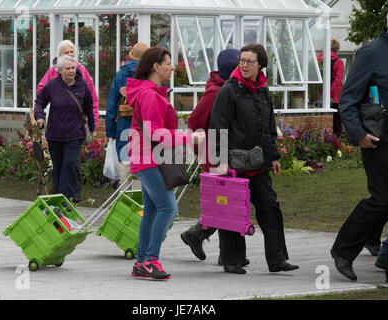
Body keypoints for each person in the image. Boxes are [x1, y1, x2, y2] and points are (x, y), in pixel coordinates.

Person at [209, 43, 299, 275]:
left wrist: (274, 157)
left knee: (270, 207)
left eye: (250, 61)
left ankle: (277, 259)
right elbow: (217, 126)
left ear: (260, 65)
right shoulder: (229, 90)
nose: (245, 64)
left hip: (258, 163)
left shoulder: (262, 90)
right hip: (232, 163)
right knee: (232, 211)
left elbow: (268, 126)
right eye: (242, 60)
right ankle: (232, 260)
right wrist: (221, 160)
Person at [330, 5, 388, 283]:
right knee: (385, 198)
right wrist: (358, 134)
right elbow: (348, 99)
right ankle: (343, 249)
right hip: (378, 141)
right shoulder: (371, 52)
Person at [126, 47, 205, 280]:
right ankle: (150, 260)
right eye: (168, 63)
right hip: (150, 159)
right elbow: (156, 133)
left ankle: (141, 262)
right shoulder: (149, 95)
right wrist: (189, 138)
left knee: (152, 210)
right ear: (155, 66)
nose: (172, 67)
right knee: (169, 208)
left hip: (148, 158)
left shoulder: (150, 92)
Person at [180, 48, 246, 264]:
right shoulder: (216, 93)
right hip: (216, 153)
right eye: (239, 64)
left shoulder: (230, 88)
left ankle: (225, 252)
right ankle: (196, 235)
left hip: (227, 151)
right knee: (224, 202)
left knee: (229, 201)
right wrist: (206, 146)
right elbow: (194, 121)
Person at [37, 40, 99, 201]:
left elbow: (90, 103)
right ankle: (58, 195)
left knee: (70, 163)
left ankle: (66, 198)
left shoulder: (83, 83)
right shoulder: (51, 83)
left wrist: (93, 125)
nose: (71, 70)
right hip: (55, 131)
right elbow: (39, 99)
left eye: (73, 67)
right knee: (59, 166)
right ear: (60, 70)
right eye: (68, 68)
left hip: (75, 132)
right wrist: (40, 117)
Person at [105, 42, 149, 187]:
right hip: (145, 125)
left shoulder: (120, 75)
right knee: (142, 161)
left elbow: (111, 106)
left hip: (124, 124)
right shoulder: (151, 75)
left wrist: (110, 131)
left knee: (125, 160)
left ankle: (124, 197)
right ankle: (140, 199)